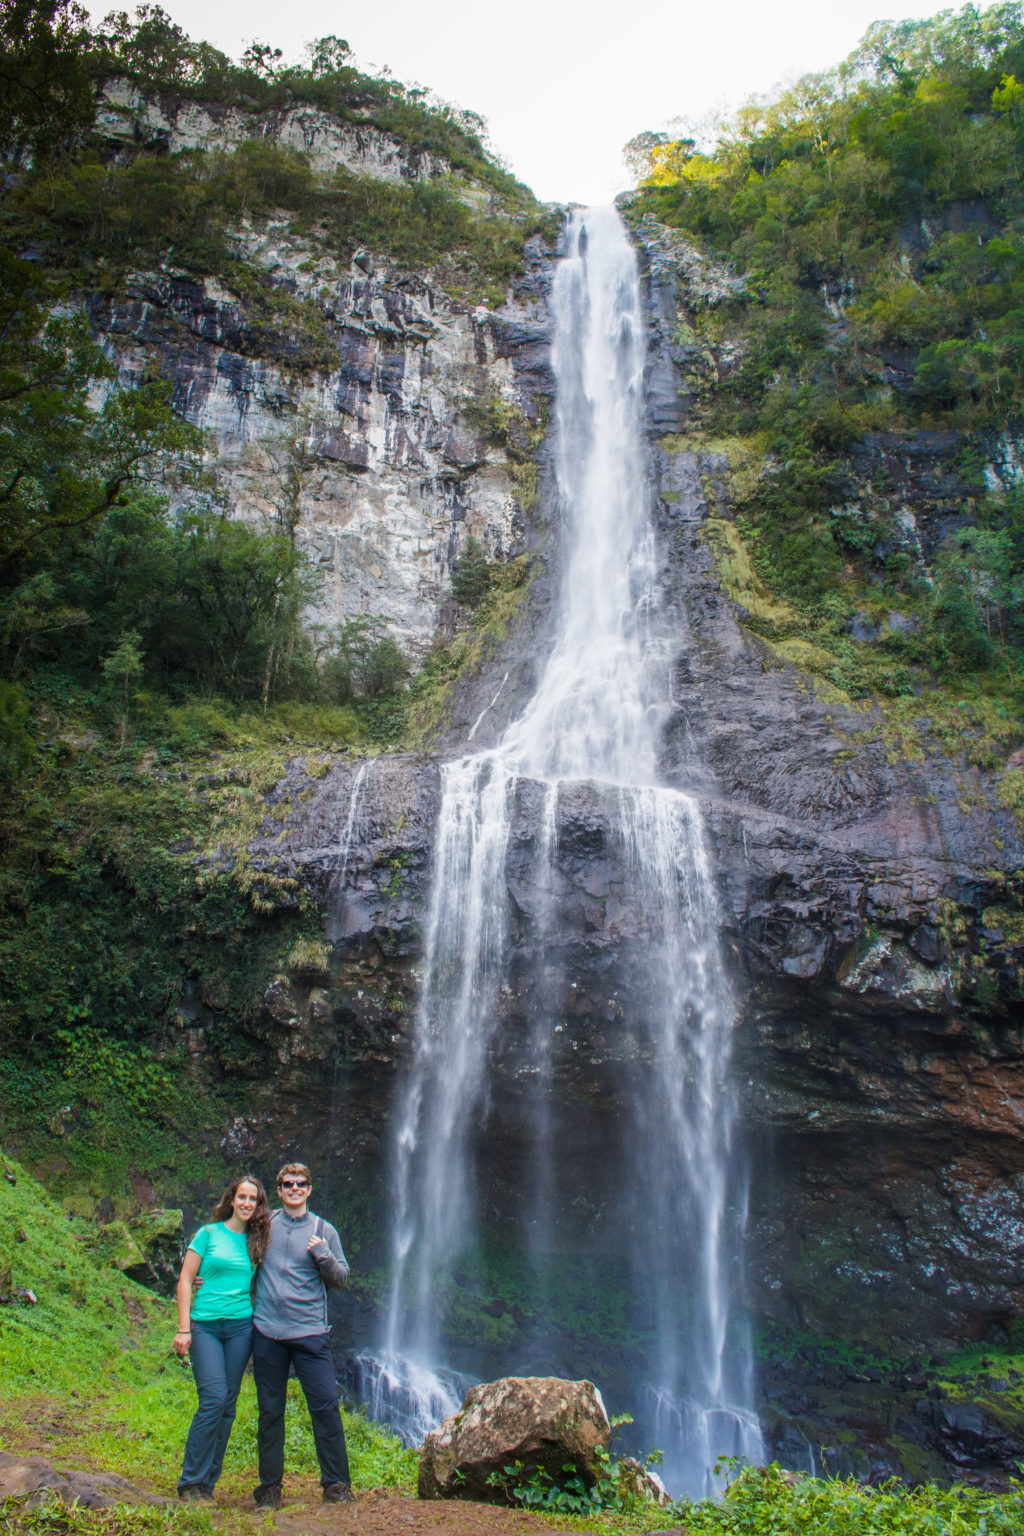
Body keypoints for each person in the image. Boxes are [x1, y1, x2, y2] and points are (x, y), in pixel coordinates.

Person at [251, 1162, 353, 1509]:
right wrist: (201, 1279)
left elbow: (341, 1277)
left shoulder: (325, 1230)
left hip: (311, 1334)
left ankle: (337, 1485)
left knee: (325, 1407)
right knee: (270, 1411)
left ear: (310, 1189)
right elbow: (239, 1260)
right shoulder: (263, 1226)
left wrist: (322, 1255)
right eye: (287, 1183)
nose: (295, 1188)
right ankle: (269, 1489)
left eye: (301, 1183)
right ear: (278, 1190)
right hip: (267, 1333)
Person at [174, 1174, 271, 1501]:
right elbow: (186, 1280)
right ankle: (190, 1481)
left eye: (253, 1199)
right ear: (232, 1199)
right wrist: (183, 1328)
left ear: (259, 1205)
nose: (246, 1203)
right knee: (213, 1398)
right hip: (206, 1327)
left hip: (241, 1328)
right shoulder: (208, 1234)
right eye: (242, 1196)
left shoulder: (258, 1240)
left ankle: (207, 1484)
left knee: (227, 1406)